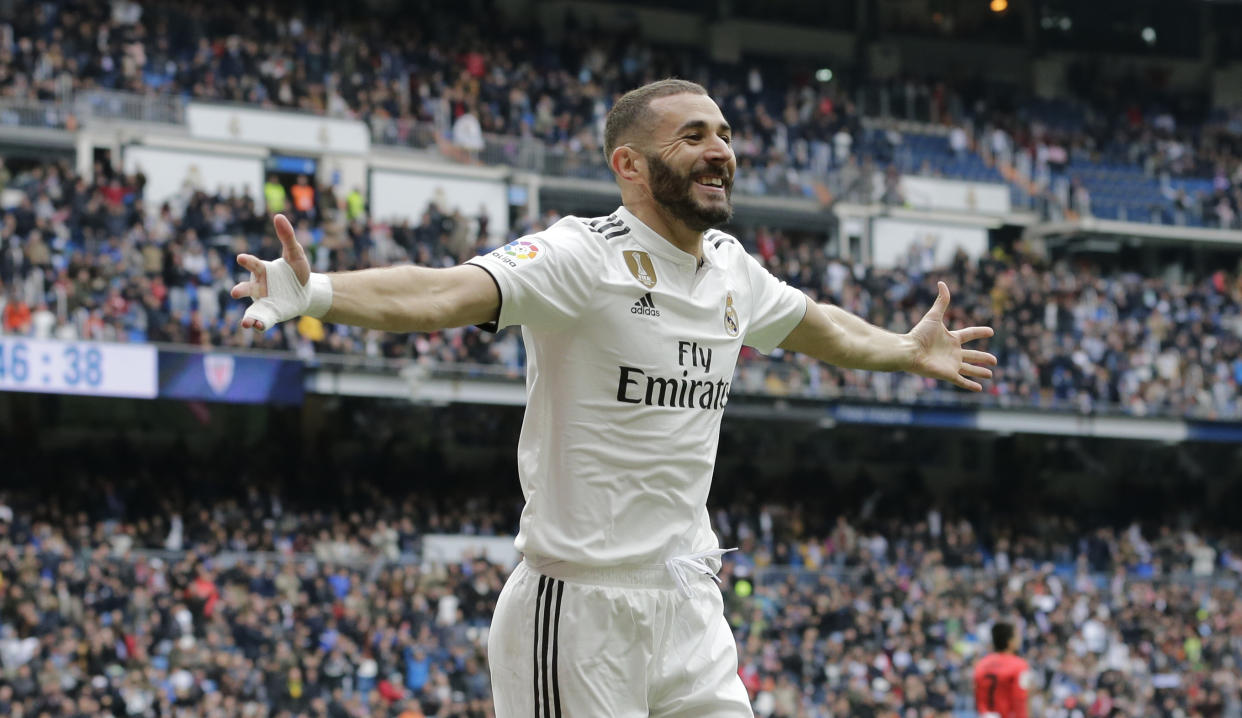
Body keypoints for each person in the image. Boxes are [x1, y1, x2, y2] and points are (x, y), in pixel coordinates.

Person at [230, 78, 997, 717]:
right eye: (693, 136)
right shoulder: (580, 255)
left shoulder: (731, 266)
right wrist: (318, 291)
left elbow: (813, 326)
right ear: (629, 163)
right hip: (578, 609)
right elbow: (444, 291)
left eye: (724, 133)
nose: (720, 151)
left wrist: (903, 349)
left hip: (689, 597)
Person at [973, 621, 1032, 718]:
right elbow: (1020, 699)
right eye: (1017, 636)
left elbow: (977, 695)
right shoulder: (1019, 665)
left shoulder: (981, 664)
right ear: (1010, 641)